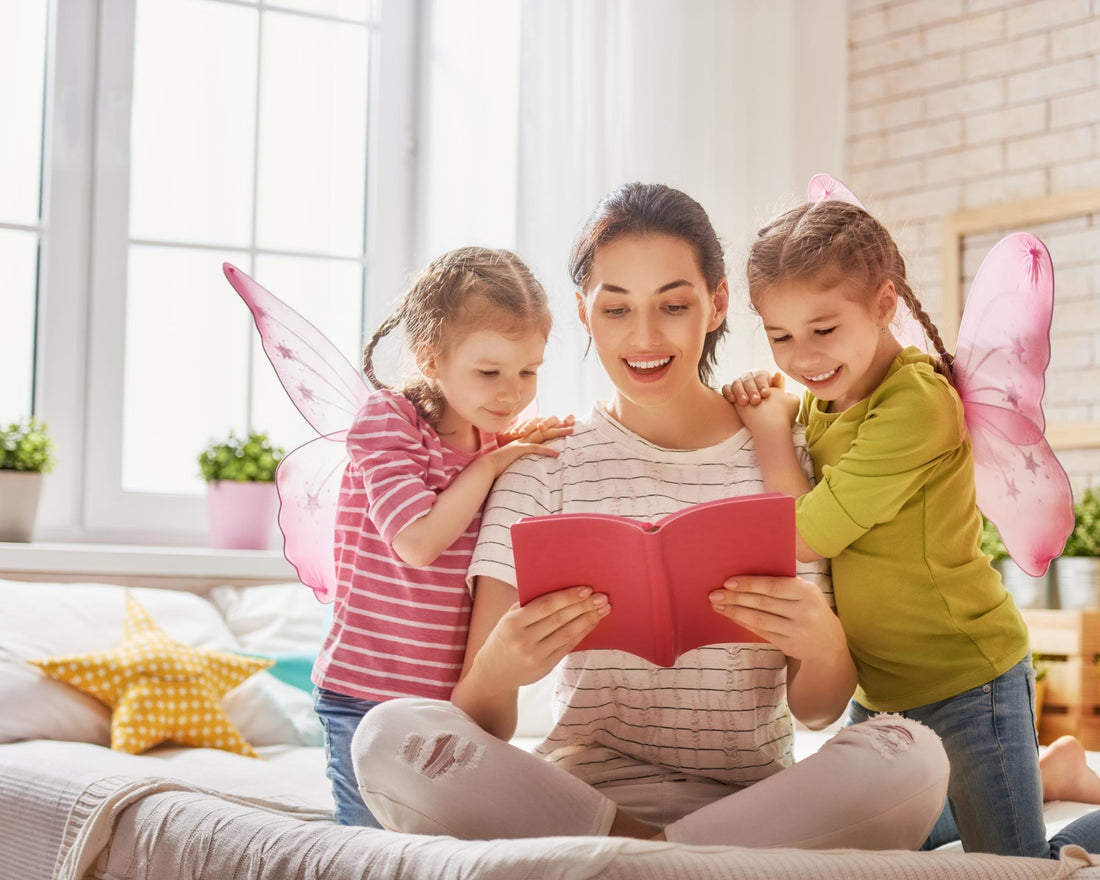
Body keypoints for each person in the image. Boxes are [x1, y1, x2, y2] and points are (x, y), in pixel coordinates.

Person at [348, 183, 949, 847]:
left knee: (911, 752)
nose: (644, 336)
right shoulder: (540, 463)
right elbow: (481, 718)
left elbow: (817, 709)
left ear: (717, 304)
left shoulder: (784, 448)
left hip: (751, 803)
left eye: (673, 305)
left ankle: (641, 860)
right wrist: (497, 670)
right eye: (616, 309)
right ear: (582, 312)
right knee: (386, 735)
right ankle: (678, 858)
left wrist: (825, 644)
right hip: (580, 801)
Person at [721, 196, 1100, 857]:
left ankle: (1048, 783)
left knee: (1013, 869)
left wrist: (769, 429)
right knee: (874, 846)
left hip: (967, 682)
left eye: (823, 328)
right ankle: (1046, 774)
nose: (803, 356)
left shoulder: (917, 405)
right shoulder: (825, 397)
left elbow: (806, 531)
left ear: (883, 304)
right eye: (780, 336)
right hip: (882, 687)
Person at [312, 246, 574, 827]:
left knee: (441, 851)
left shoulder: (492, 441)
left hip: (446, 709)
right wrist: (490, 465)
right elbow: (417, 542)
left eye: (528, 371)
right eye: (489, 372)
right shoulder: (390, 421)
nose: (511, 393)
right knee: (370, 852)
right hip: (364, 694)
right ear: (431, 358)